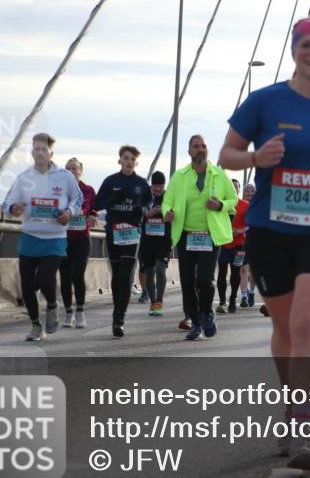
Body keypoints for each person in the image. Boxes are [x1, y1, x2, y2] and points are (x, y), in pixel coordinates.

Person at [218, 14, 310, 472]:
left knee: (306, 322)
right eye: (307, 45)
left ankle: (304, 427)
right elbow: (228, 154)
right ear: (294, 50)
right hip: (270, 228)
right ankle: (291, 407)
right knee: (284, 328)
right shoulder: (264, 101)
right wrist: (254, 158)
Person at [2, 133, 83, 341]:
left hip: (55, 238)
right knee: (27, 286)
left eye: (44, 149)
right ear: (32, 152)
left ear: (51, 153)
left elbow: (78, 198)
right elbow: (6, 204)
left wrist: (69, 213)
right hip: (29, 237)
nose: (40, 153)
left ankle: (53, 306)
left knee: (45, 279)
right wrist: (14, 208)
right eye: (36, 149)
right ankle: (36, 325)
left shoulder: (65, 177)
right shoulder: (24, 178)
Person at [163, 135, 237, 341]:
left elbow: (233, 200)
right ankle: (195, 322)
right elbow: (167, 201)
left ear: (207, 150)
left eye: (203, 146)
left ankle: (207, 313)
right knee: (187, 282)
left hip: (209, 235)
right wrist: (167, 212)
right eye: (196, 146)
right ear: (189, 152)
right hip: (186, 235)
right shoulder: (180, 176)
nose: (200, 149)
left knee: (205, 279)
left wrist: (221, 205)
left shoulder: (219, 175)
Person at [93, 145, 152, 338]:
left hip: (132, 233)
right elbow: (97, 204)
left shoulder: (141, 183)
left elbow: (149, 202)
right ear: (120, 160)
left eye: (132, 159)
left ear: (136, 162)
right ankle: (117, 310)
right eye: (125, 158)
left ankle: (119, 318)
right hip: (113, 232)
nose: (128, 162)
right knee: (117, 275)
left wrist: (142, 208)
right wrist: (112, 199)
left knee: (126, 274)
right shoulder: (111, 181)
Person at [59, 157, 97, 329]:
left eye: (75, 168)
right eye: (68, 169)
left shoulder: (88, 190)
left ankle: (80, 311)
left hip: (82, 238)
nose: (72, 171)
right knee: (65, 277)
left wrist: (93, 214)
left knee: (77, 274)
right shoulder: (58, 191)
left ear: (81, 171)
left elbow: (95, 207)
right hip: (62, 238)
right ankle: (68, 312)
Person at [140, 171, 172, 317]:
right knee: (149, 271)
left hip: (164, 240)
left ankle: (159, 300)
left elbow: (175, 214)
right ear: (151, 186)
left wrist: (167, 215)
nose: (157, 189)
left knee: (160, 269)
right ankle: (153, 302)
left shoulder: (169, 197)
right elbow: (139, 212)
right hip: (147, 241)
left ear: (164, 185)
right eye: (155, 186)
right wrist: (149, 213)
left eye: (160, 186)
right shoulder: (146, 197)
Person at [217, 178, 250, 314]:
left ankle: (232, 299)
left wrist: (239, 231)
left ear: (238, 189)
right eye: (231, 187)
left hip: (239, 245)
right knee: (222, 272)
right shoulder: (222, 205)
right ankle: (222, 301)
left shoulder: (245, 205)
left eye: (236, 187)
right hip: (224, 244)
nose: (233, 189)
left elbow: (251, 225)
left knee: (236, 273)